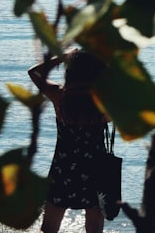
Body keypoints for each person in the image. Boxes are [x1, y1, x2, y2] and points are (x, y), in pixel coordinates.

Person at [29, 49, 110, 233]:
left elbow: (34, 73)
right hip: (96, 169)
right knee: (94, 229)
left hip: (63, 168)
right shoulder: (104, 103)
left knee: (49, 228)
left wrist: (62, 56)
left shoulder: (60, 96)